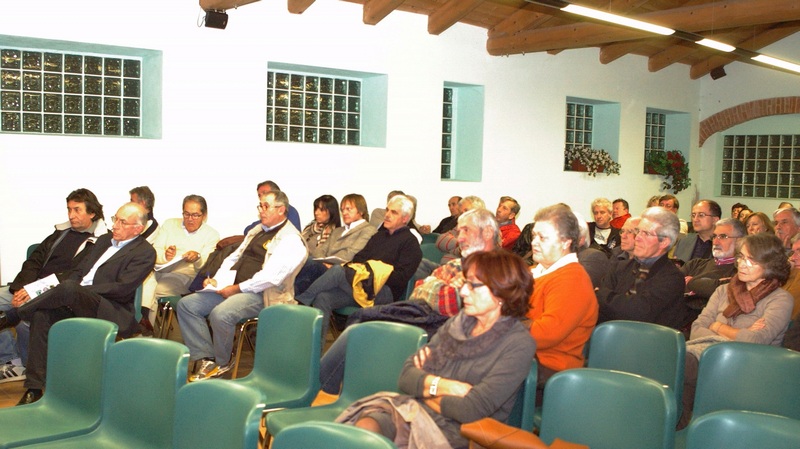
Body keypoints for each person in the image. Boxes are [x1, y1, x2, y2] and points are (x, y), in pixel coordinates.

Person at [337, 249, 536, 449]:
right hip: (414, 412)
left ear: (502, 292)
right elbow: (406, 377)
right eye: (465, 283)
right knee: (366, 428)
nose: (463, 291)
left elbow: (470, 409)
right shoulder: (459, 323)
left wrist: (423, 387)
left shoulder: (517, 344)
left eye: (473, 285)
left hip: (463, 434)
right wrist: (443, 385)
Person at [317, 208, 501, 395]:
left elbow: (449, 302)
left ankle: (320, 385)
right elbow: (419, 288)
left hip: (439, 324)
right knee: (360, 319)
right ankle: (339, 388)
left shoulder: (494, 266)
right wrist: (436, 285)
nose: (459, 237)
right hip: (420, 311)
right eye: (459, 231)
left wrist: (433, 284)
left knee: (362, 325)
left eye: (466, 230)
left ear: (487, 232)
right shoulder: (460, 263)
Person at [0, 202, 155, 405]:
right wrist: (74, 290)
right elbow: (78, 270)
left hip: (109, 307)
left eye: (122, 222)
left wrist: (81, 291)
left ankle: (12, 316)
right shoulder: (104, 240)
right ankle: (35, 388)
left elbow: (121, 289)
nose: (115, 225)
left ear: (138, 228)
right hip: (74, 299)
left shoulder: (145, 252)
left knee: (69, 288)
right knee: (42, 314)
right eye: (115, 218)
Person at [177, 190, 307, 381]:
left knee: (221, 314)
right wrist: (217, 281)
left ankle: (222, 363)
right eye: (260, 206)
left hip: (264, 295)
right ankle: (207, 357)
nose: (261, 211)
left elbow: (270, 278)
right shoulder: (258, 231)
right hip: (233, 288)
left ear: (281, 210)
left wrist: (237, 289)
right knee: (187, 305)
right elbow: (233, 258)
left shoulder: (291, 239)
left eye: (266, 206)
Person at [678, 233, 793, 428]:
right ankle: (678, 425)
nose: (743, 264)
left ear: (771, 264)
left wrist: (717, 326)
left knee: (681, 363)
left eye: (752, 260)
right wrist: (737, 333)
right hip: (705, 355)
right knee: (675, 359)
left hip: (751, 364)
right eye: (741, 257)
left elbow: (755, 341)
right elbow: (697, 328)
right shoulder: (723, 290)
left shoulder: (780, 299)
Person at [0, 188, 107, 385]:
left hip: (53, 293)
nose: (71, 215)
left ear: (92, 213)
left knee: (26, 320)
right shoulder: (60, 233)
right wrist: (21, 289)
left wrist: (32, 292)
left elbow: (73, 276)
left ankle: (25, 365)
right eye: (69, 210)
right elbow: (34, 260)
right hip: (28, 287)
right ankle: (9, 358)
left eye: (77, 210)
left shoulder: (100, 241)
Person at [297, 194, 422, 340]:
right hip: (361, 286)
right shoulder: (379, 236)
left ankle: (301, 302)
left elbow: (401, 278)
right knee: (323, 298)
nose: (387, 215)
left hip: (383, 292)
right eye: (387, 210)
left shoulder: (410, 243)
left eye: (393, 212)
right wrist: (364, 272)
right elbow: (358, 258)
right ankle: (314, 352)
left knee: (338, 271)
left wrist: (373, 272)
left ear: (405, 218)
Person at [529, 204, 598, 403]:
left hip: (549, 373)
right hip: (527, 361)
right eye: (534, 236)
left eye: (543, 238)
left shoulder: (572, 279)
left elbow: (545, 334)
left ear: (566, 242)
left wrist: (500, 325)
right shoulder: (536, 272)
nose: (534, 242)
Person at [596, 206, 691, 330]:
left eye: (646, 233)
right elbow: (598, 309)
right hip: (610, 337)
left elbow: (637, 312)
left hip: (649, 344)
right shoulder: (620, 267)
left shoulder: (672, 278)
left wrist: (601, 294)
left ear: (664, 242)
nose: (638, 237)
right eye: (639, 231)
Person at [294, 194, 377, 295]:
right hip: (324, 267)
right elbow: (319, 250)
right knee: (301, 283)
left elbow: (351, 253)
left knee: (306, 262)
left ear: (361, 211)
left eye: (348, 209)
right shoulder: (338, 230)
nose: (344, 213)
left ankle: (293, 297)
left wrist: (331, 262)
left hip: (342, 272)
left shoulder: (368, 230)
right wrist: (323, 262)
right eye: (342, 210)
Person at [146, 195, 220, 309]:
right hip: (159, 270)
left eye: (195, 215)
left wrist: (197, 258)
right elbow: (156, 250)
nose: (190, 219)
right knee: (141, 287)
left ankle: (146, 324)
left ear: (204, 216)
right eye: (186, 214)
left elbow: (206, 265)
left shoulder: (211, 234)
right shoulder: (170, 224)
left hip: (184, 276)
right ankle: (141, 322)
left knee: (155, 291)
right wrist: (166, 256)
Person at [681, 218, 745, 313]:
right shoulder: (694, 264)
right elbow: (672, 284)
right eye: (714, 236)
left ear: (739, 241)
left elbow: (725, 292)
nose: (715, 242)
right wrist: (708, 285)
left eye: (723, 237)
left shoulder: (742, 271)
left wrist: (691, 282)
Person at [436, 196, 485, 263]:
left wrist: (453, 250)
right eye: (461, 213)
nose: (462, 216)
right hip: (450, 267)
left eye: (466, 211)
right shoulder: (461, 226)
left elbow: (468, 253)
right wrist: (460, 244)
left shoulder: (488, 229)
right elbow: (440, 240)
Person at [672, 200, 721, 264]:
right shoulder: (683, 242)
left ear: (715, 220)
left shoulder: (723, 244)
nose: (695, 219)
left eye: (701, 215)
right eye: (693, 215)